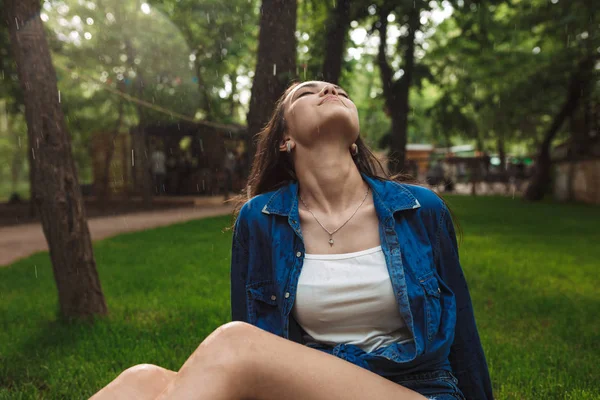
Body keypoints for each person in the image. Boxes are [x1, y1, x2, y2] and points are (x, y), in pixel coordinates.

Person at [90, 81, 493, 400]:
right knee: (140, 380)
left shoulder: (420, 209)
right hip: (308, 390)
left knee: (235, 342)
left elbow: (464, 335)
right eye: (308, 91)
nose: (330, 91)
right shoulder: (261, 219)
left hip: (415, 388)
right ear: (286, 139)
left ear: (354, 140)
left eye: (339, 90)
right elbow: (256, 338)